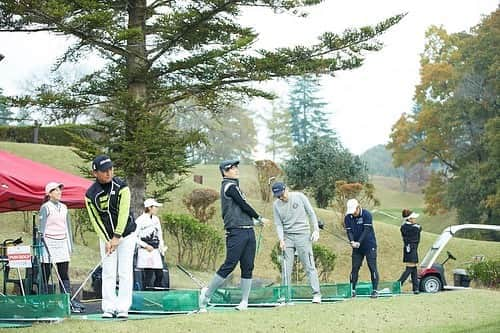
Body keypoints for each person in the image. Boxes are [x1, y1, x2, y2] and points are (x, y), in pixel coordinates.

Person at [199, 159, 270, 311]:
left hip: (248, 230)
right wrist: (259, 217)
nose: (236, 170)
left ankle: (244, 302)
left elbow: (240, 210)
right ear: (225, 171)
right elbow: (244, 205)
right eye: (233, 168)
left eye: (237, 167)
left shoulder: (235, 187)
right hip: (236, 232)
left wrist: (254, 222)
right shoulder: (229, 186)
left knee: (248, 266)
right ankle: (206, 294)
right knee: (230, 264)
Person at [85, 155, 136, 319]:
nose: (108, 173)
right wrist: (107, 239)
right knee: (108, 271)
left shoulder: (122, 187)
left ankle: (123, 307)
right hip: (106, 237)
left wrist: (117, 236)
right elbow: (95, 219)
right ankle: (108, 307)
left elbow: (123, 213)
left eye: (110, 169)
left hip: (126, 234)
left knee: (124, 271)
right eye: (104, 171)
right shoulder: (90, 194)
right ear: (95, 173)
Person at [271, 182, 322, 303]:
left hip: (303, 235)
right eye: (278, 196)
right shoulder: (276, 205)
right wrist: (281, 239)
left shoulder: (299, 196)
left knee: (309, 265)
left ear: (286, 189)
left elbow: (311, 213)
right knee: (286, 268)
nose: (281, 197)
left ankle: (316, 294)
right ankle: (285, 295)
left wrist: (316, 230)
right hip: (288, 237)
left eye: (282, 194)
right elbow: (278, 224)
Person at [39, 182, 84, 311]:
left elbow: (67, 228)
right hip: (48, 243)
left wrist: (70, 247)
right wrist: (42, 248)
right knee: (46, 273)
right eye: (56, 190)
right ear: (49, 193)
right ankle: (44, 301)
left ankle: (67, 300)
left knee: (64, 273)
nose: (59, 192)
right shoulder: (45, 207)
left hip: (62, 243)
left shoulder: (64, 207)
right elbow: (41, 229)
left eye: (60, 190)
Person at [344, 198, 379, 298]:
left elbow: (366, 230)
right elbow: (349, 231)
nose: (353, 213)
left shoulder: (367, 214)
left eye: (354, 210)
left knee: (372, 267)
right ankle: (352, 290)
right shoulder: (348, 217)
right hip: (357, 248)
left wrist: (359, 242)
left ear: (358, 207)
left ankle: (375, 290)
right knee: (355, 268)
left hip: (369, 245)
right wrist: (352, 241)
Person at [135, 198, 167, 289]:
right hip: (145, 251)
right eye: (155, 207)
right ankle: (146, 292)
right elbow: (134, 236)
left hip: (156, 250)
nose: (157, 209)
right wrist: (145, 245)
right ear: (149, 207)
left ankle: (158, 292)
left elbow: (159, 233)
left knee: (160, 274)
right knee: (148, 274)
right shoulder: (140, 220)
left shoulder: (156, 219)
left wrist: (161, 246)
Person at [397, 209, 422, 294]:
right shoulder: (412, 228)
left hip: (410, 248)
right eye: (413, 218)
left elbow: (417, 226)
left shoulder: (405, 226)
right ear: (410, 219)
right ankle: (398, 284)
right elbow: (419, 228)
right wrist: (414, 225)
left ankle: (416, 288)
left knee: (414, 267)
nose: (415, 219)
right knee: (410, 267)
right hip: (411, 248)